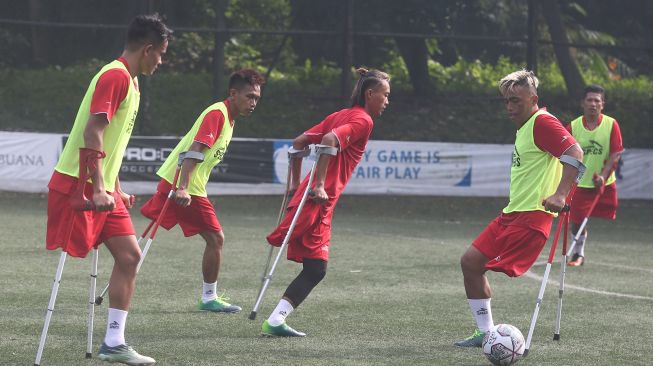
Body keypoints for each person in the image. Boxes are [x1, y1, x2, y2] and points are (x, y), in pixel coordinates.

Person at [45, 14, 171, 365]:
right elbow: (93, 133)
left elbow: (111, 145)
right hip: (78, 184)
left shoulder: (132, 82)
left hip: (101, 186)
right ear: (148, 49)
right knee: (90, 257)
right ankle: (112, 343)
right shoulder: (115, 76)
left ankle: (114, 343)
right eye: (160, 54)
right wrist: (99, 188)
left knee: (131, 257)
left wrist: (116, 187)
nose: (161, 62)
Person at [454, 70, 584, 347]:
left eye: (516, 101)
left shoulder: (542, 122)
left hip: (531, 217)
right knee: (470, 263)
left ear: (533, 99)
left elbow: (575, 152)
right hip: (512, 214)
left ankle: (491, 335)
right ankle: (485, 333)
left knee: (476, 264)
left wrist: (561, 194)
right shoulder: (526, 126)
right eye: (506, 102)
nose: (510, 107)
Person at [261, 68, 390, 337]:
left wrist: (296, 184)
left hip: (311, 196)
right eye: (385, 95)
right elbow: (330, 140)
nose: (387, 101)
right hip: (318, 198)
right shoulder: (363, 120)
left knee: (315, 267)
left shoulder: (339, 115)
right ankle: (275, 321)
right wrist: (318, 185)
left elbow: (298, 143)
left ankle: (276, 320)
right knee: (316, 268)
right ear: (370, 94)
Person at [140, 69, 265, 314]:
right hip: (184, 187)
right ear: (233, 93)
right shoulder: (217, 113)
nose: (253, 103)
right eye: (249, 96)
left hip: (184, 185)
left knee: (150, 236)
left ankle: (208, 296)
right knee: (216, 239)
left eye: (257, 99)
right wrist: (183, 188)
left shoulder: (229, 118)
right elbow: (195, 150)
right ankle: (209, 298)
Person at [565, 85, 624, 266]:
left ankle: (578, 253)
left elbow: (615, 153)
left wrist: (603, 177)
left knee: (589, 217)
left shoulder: (611, 124)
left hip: (603, 183)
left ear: (602, 104)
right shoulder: (573, 127)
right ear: (582, 103)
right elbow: (566, 155)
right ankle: (578, 254)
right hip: (580, 183)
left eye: (597, 100)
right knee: (577, 220)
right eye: (589, 100)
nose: (593, 104)